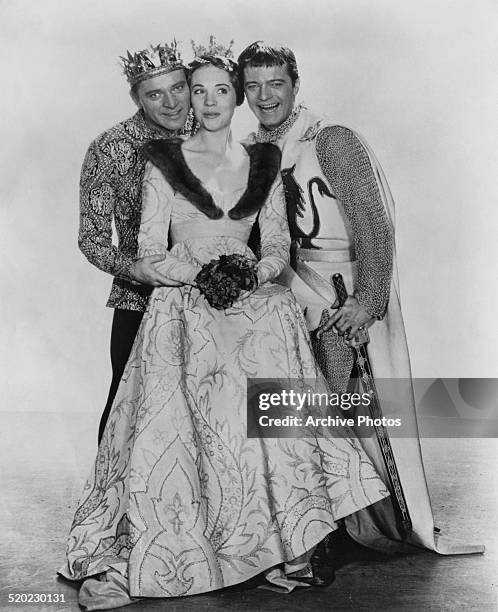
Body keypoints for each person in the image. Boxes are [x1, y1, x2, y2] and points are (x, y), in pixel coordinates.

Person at [59, 48, 391, 609]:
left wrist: (250, 271)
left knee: (267, 409)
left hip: (253, 304)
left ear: (235, 97)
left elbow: (278, 245)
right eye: (198, 90)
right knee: (158, 423)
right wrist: (195, 272)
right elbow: (143, 247)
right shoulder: (153, 159)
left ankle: (285, 537)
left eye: (220, 90)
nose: (205, 101)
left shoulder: (265, 161)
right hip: (173, 303)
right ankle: (180, 534)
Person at [237, 40, 484, 556]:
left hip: (343, 292)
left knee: (357, 414)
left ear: (295, 85)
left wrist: (368, 300)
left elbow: (374, 224)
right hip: (290, 293)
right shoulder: (250, 150)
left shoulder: (331, 139)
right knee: (297, 415)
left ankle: (368, 524)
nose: (265, 96)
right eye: (253, 86)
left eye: (275, 84)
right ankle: (313, 526)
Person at [79, 42, 192, 442]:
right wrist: (134, 269)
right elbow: (91, 238)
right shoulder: (109, 147)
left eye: (178, 88)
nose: (171, 102)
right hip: (140, 297)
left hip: (209, 298)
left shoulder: (214, 130)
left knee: (207, 405)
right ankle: (112, 501)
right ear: (137, 98)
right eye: (155, 94)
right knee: (126, 408)